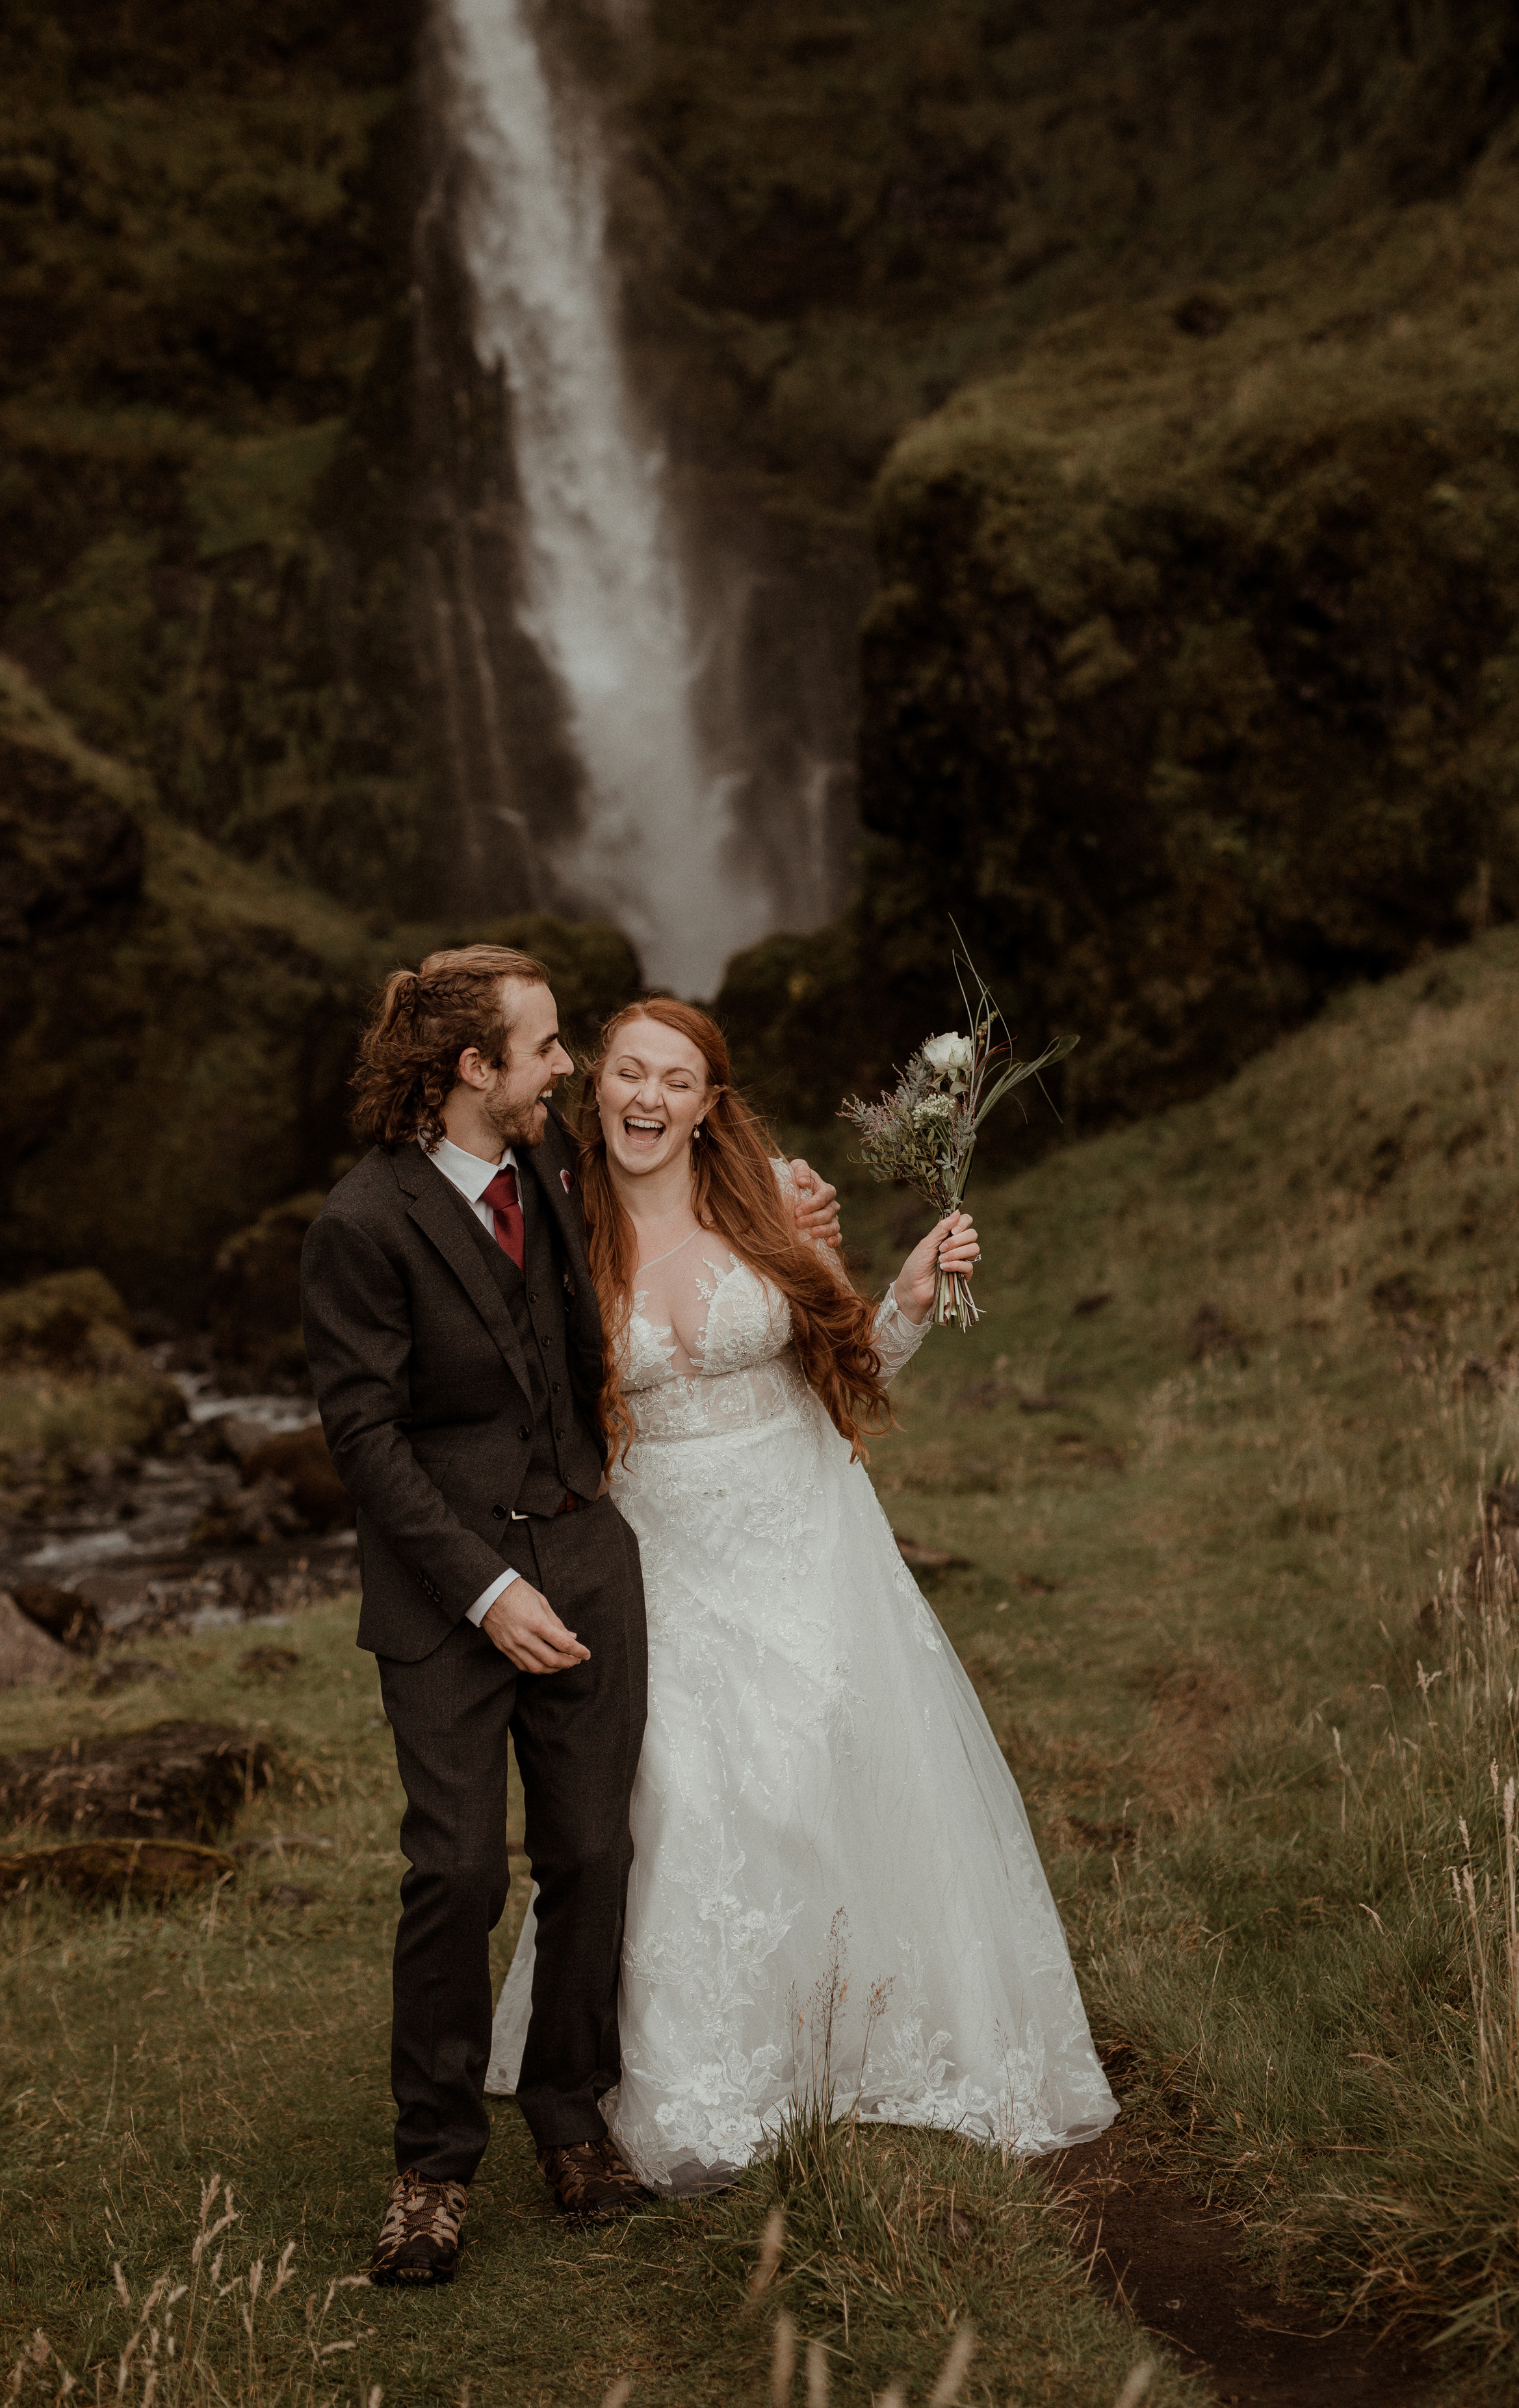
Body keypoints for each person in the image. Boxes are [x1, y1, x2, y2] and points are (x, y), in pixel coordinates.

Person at [488, 997, 1119, 2188]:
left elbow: (854, 1360)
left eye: (677, 1080)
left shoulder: (771, 1203)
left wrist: (915, 1293)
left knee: (825, 1772)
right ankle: (706, 2077)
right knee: (684, 1802)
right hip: (659, 1558)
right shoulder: (563, 1227)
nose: (648, 1098)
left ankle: (863, 2033)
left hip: (803, 1533)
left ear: (707, 1103)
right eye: (628, 1072)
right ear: (597, 1086)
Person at [300, 947, 842, 2284]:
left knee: (595, 1855)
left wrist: (789, 1202)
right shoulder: (359, 1225)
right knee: (458, 1871)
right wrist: (486, 1591)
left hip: (592, 1561)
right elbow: (363, 1440)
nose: (571, 1071)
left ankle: (568, 2112)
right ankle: (429, 2169)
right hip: (449, 1596)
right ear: (471, 1070)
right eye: (546, 1051)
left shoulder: (550, 1168)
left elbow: (673, 1193)